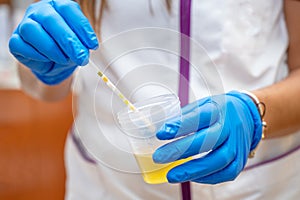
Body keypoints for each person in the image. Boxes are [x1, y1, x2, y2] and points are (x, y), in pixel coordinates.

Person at [8, 0, 300, 199]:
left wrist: (255, 112)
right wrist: (42, 62)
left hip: (258, 187)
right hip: (109, 189)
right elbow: (47, 76)